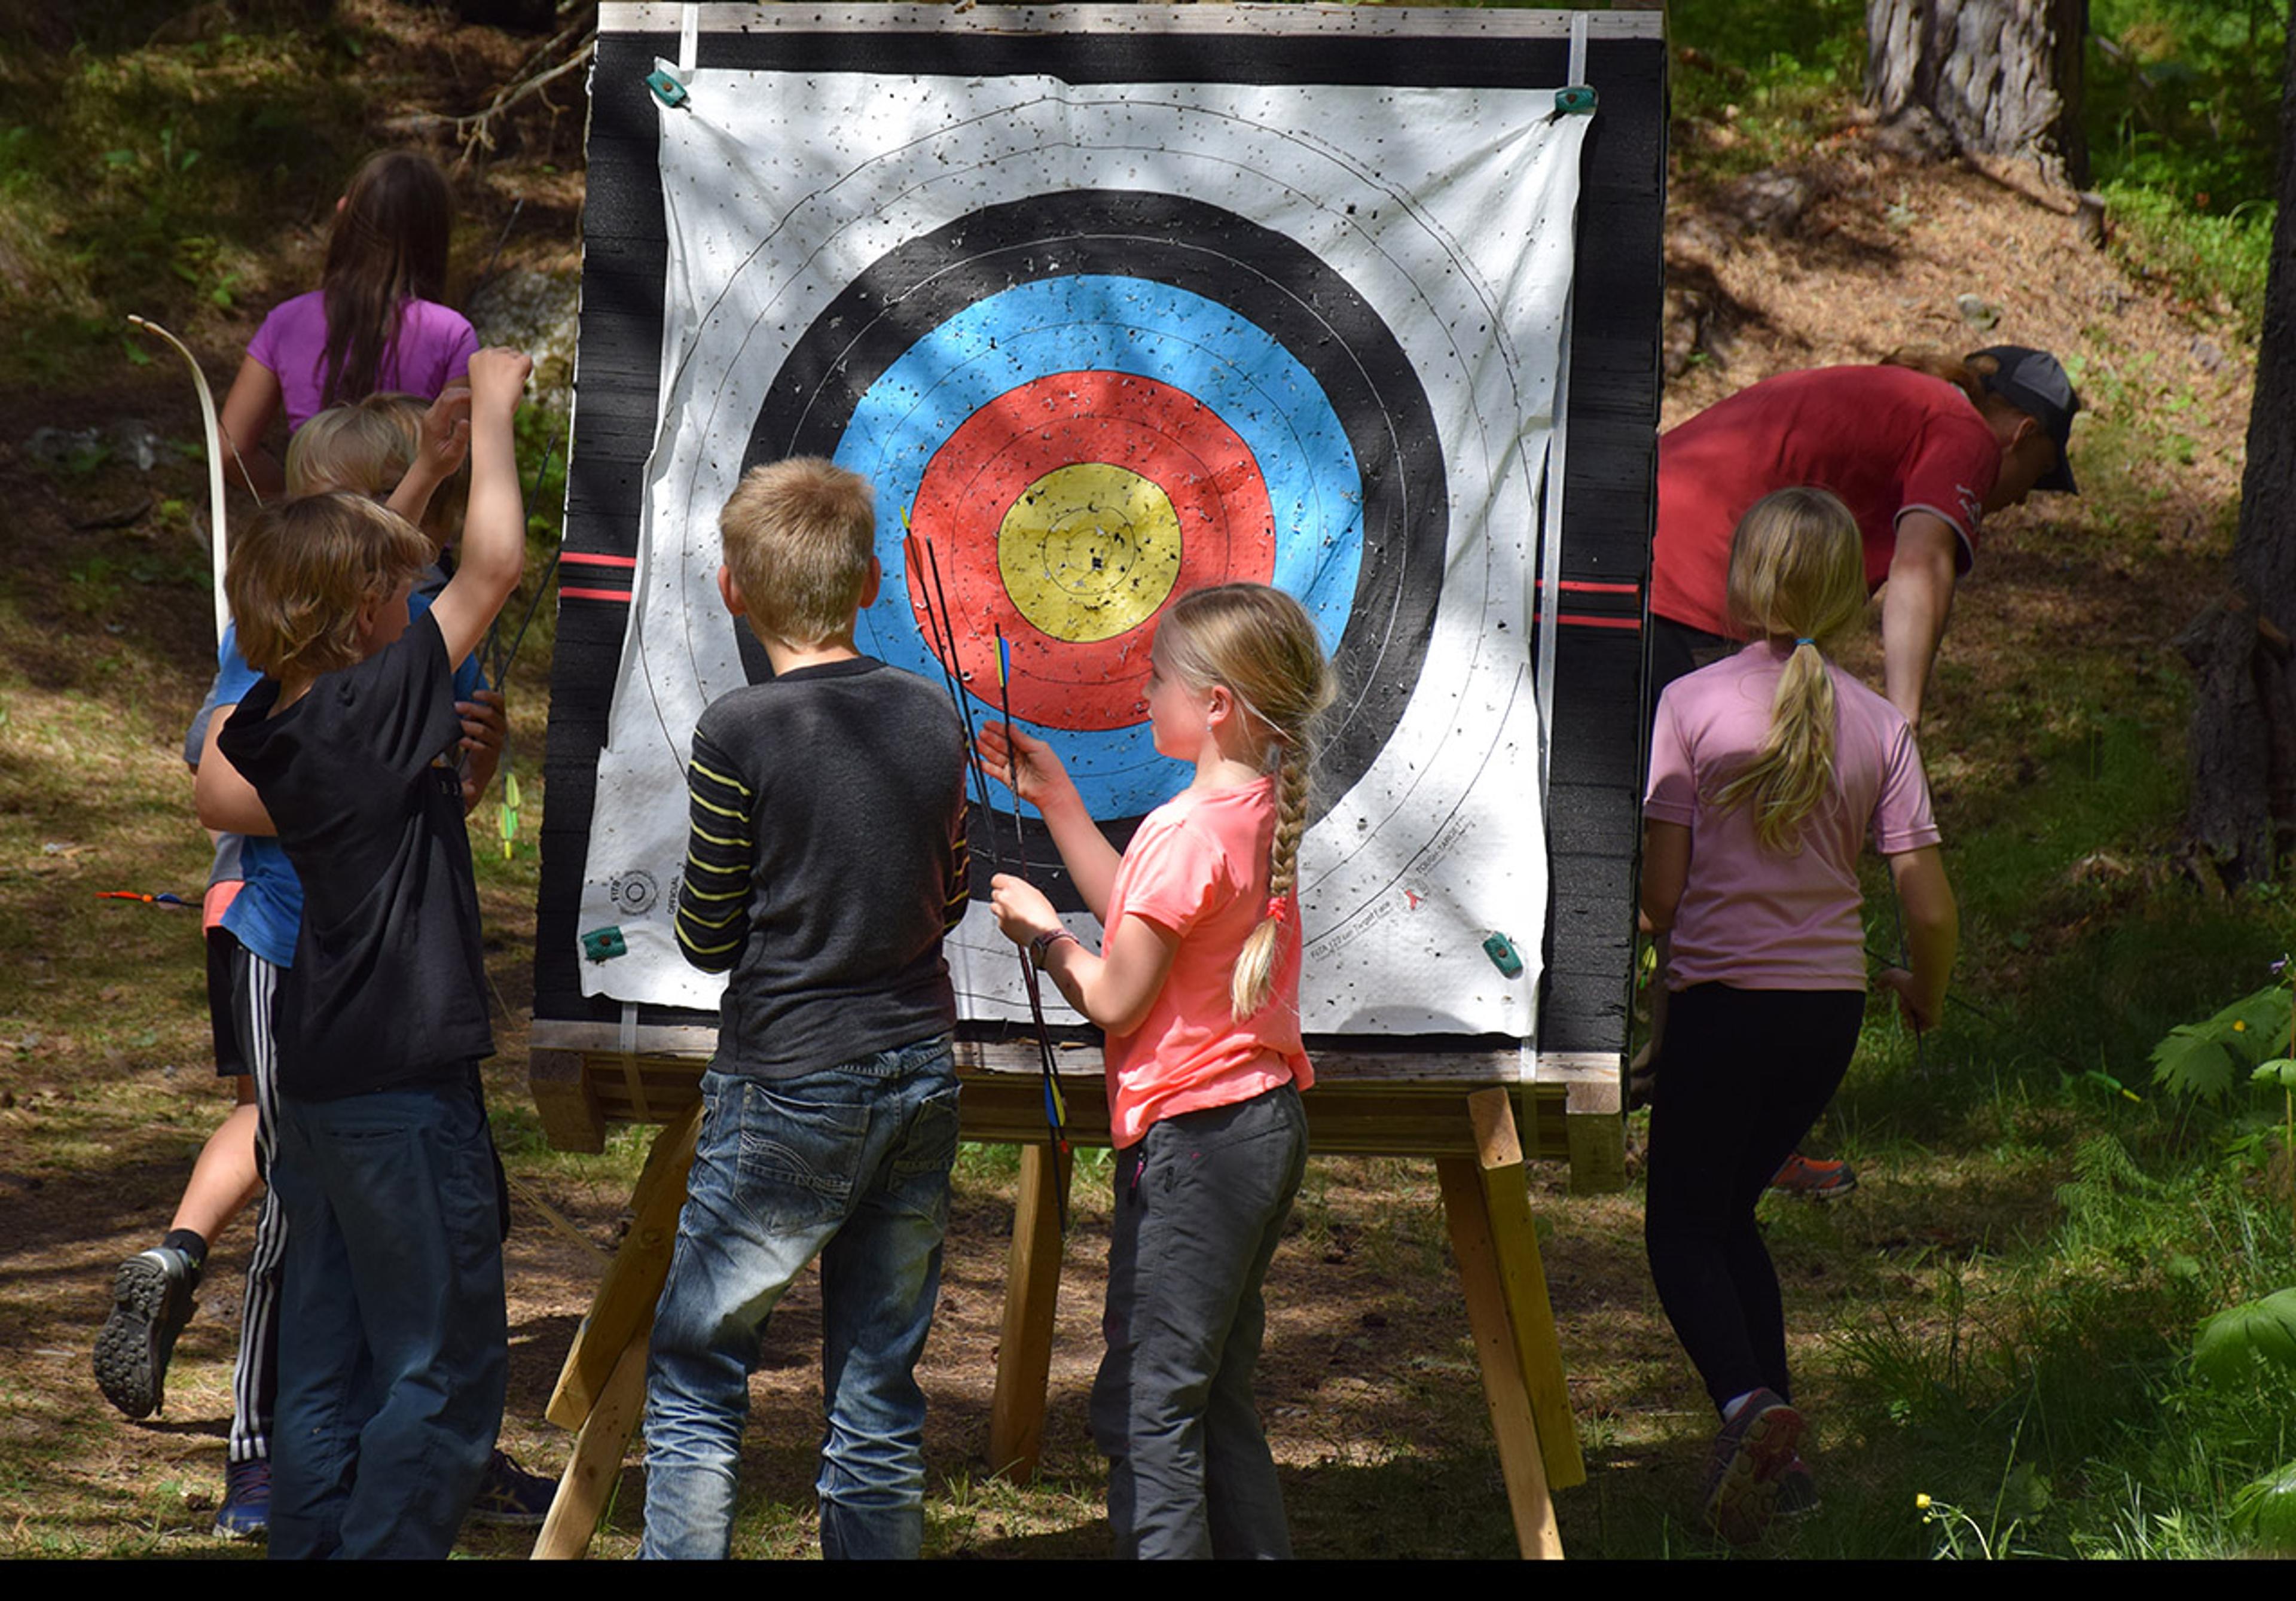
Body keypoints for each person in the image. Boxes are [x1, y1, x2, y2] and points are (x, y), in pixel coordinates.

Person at [92, 391, 546, 1540]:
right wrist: (492, 406)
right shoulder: (379, 700)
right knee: (436, 1359)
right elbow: (493, 566)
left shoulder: (275, 723)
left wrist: (421, 480)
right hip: (403, 1079)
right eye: (399, 589)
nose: (417, 596)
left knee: (328, 1338)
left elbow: (357, 599)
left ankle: (306, 1529)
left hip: (325, 1071)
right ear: (359, 617)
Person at [638, 458, 971, 1562]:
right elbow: (953, 890)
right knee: (877, 1387)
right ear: (872, 580)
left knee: (697, 1368)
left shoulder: (740, 731)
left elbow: (706, 935)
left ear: (733, 590)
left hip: (787, 1079)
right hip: (918, 1069)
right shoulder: (929, 715)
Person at [1642, 344, 2071, 1198]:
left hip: (1653, 541)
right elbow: (1922, 564)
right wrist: (1897, 729)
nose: (2014, 501)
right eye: (2037, 476)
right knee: (1696, 861)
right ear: (2021, 434)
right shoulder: (1963, 432)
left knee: (1697, 857)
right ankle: (1705, 1122)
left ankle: (1707, 1115)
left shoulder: (1914, 409)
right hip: (1689, 577)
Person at [979, 581, 1332, 1560]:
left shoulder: (1188, 829)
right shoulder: (1250, 807)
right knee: (1210, 1397)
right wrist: (1058, 800)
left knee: (1148, 1409)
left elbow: (1115, 995)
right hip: (1256, 1127)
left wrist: (1045, 939)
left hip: (1202, 1145)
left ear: (1216, 702)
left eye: (1158, 677)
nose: (1144, 692)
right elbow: (1141, 916)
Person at [1639, 487, 1958, 1544]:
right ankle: (1786, 1471)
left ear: (1747, 578)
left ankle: (1746, 1405)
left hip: (1723, 1007)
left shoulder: (1692, 703)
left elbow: (1665, 896)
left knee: (1681, 1224)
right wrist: (1926, 987)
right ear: (1849, 593)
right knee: (1732, 1215)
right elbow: (1929, 901)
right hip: (1826, 1018)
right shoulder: (1880, 724)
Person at [217, 150, 477, 499]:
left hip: (313, 541)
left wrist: (302, 496)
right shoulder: (452, 333)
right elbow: (455, 465)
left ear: (345, 216)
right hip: (413, 546)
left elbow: (230, 449)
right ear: (436, 237)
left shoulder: (287, 321)